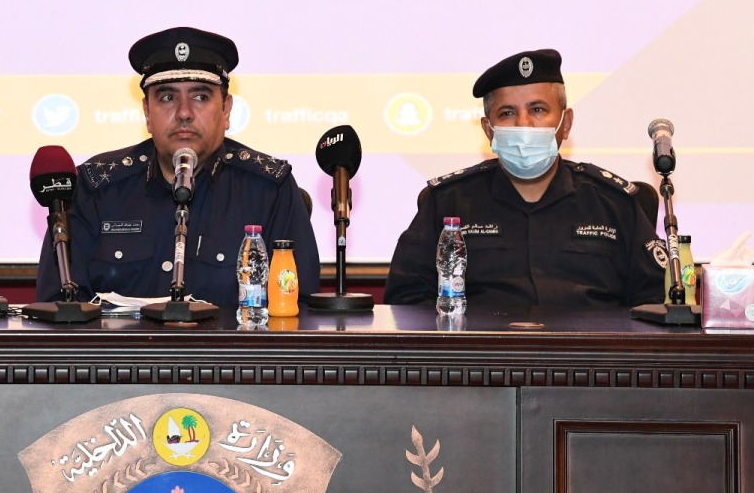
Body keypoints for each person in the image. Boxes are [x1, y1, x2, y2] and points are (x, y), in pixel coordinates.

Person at [34, 26, 320, 309]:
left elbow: (299, 308)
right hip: (121, 356)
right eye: (167, 97)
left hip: (231, 355)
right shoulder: (96, 188)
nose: (184, 113)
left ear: (226, 109)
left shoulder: (269, 190)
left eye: (201, 97)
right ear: (147, 111)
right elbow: (58, 307)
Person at [385, 49, 666, 308]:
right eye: (507, 113)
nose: (523, 124)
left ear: (565, 123)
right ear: (488, 129)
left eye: (538, 110)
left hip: (590, 359)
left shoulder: (613, 203)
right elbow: (405, 301)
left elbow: (655, 299)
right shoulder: (447, 202)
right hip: (482, 359)